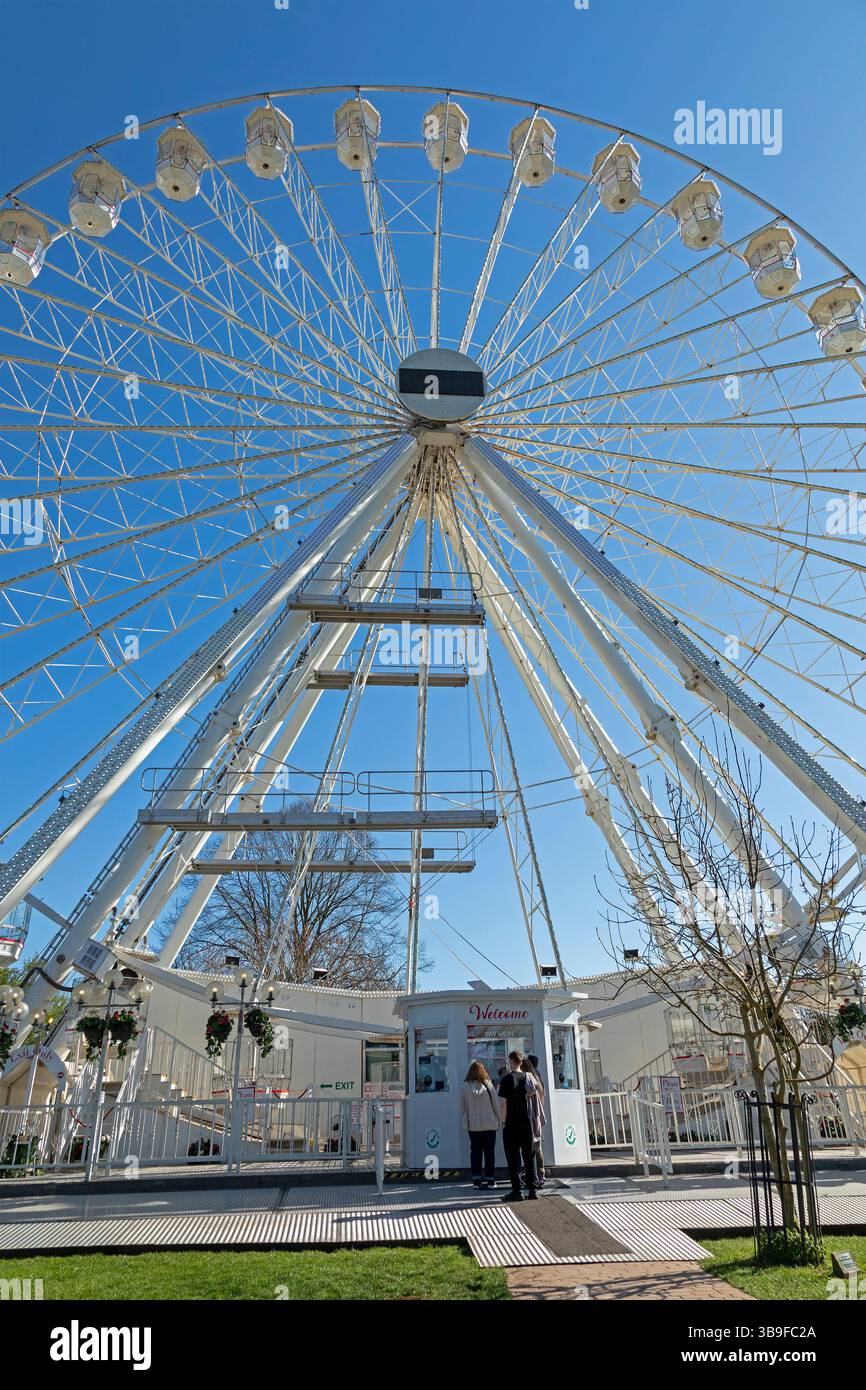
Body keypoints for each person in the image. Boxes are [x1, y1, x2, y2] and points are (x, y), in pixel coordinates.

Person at [497, 1049, 538, 1201]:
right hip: (528, 1122)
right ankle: (533, 1190)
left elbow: (502, 1104)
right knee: (529, 1156)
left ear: (512, 1062)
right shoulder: (529, 1077)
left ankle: (517, 1191)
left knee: (513, 1157)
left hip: (512, 1124)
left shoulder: (507, 1079)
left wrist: (503, 1121)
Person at [458, 1060, 501, 1189]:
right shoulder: (489, 1085)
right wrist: (500, 1119)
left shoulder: (465, 1086)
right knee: (489, 1153)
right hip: (489, 1126)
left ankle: (476, 1181)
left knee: (475, 1152)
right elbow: (496, 1105)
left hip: (473, 1127)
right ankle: (491, 1180)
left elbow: (461, 1108)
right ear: (483, 1071)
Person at [521, 1055, 547, 1187]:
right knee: (537, 1148)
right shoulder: (538, 1080)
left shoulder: (526, 1081)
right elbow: (542, 1097)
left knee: (527, 1149)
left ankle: (529, 1175)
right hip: (538, 1117)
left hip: (529, 1117)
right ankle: (541, 1175)